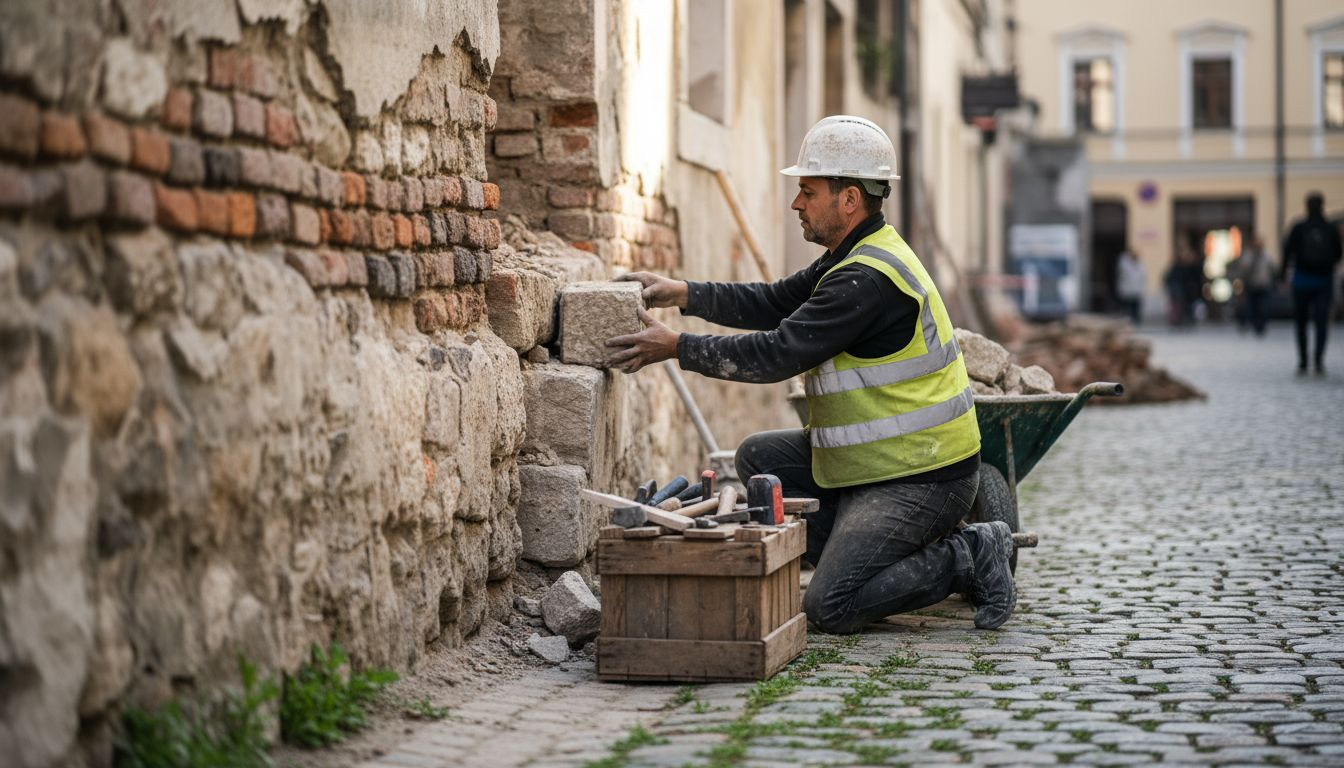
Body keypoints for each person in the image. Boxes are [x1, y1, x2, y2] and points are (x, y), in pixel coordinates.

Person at [604, 115, 1015, 634]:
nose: (797, 203)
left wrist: (675, 347)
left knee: (830, 605)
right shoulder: (850, 257)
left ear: (849, 200)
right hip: (879, 464)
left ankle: (972, 553)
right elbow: (774, 302)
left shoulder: (865, 279)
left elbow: (778, 354)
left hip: (924, 474)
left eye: (807, 191)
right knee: (759, 457)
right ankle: (875, 550)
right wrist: (681, 292)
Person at [1280, 192, 1343, 375]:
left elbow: (1287, 252)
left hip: (1302, 280)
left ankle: (1302, 361)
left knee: (1301, 322)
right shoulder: (1330, 227)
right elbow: (1338, 253)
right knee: (1321, 322)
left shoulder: (1299, 227)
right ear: (1322, 205)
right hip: (1323, 280)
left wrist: (1283, 276)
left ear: (1306, 206)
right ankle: (1319, 361)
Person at [1229, 235, 1275, 336]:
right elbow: (1243, 269)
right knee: (1251, 307)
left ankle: (1261, 326)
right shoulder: (1248, 255)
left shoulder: (1266, 256)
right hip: (1251, 285)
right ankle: (1253, 324)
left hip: (1263, 285)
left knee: (1264, 307)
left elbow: (1272, 269)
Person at [1115, 247, 1145, 324]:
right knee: (1127, 308)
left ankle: (1136, 321)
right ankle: (1127, 321)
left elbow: (1143, 277)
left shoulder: (1139, 264)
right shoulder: (1124, 262)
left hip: (1137, 290)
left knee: (1135, 309)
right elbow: (1122, 272)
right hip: (1127, 290)